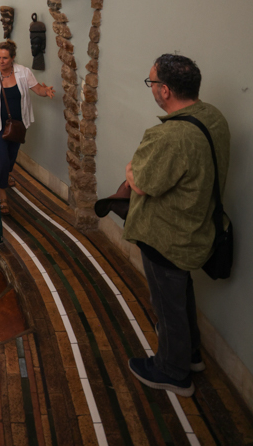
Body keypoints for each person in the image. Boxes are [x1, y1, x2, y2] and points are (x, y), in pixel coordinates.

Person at [123, 54, 230, 397]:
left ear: (165, 90)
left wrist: (130, 169)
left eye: (152, 82)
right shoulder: (212, 117)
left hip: (166, 236)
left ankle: (173, 371)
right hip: (197, 228)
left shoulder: (170, 135)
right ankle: (192, 353)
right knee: (181, 295)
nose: (151, 88)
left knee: (167, 305)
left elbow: (142, 181)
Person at [0, 40, 54, 215]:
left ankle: (4, 175)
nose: (1, 61)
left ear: (12, 58)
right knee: (2, 159)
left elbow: (38, 90)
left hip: (18, 125)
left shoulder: (23, 72)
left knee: (11, 157)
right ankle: (2, 193)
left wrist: (46, 92)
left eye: (5, 58)